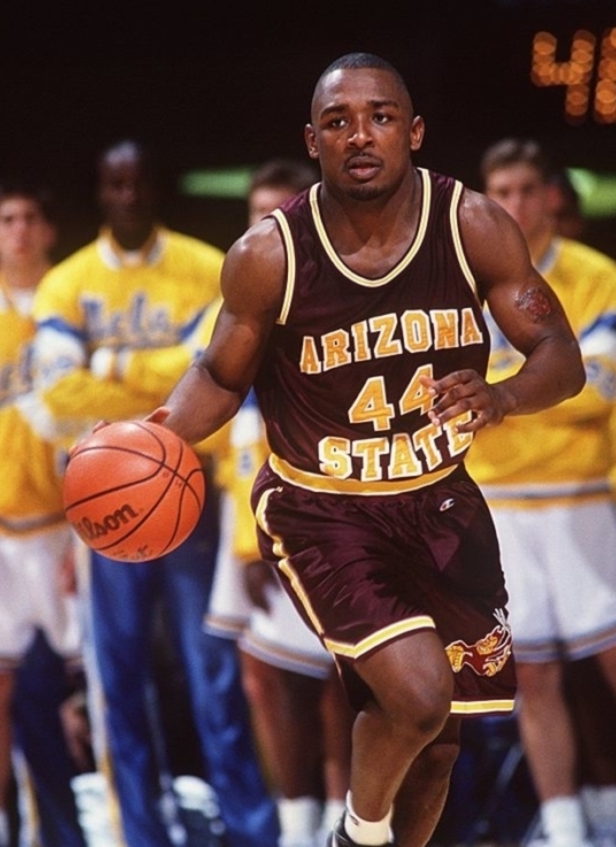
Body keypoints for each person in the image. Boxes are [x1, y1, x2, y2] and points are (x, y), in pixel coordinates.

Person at [146, 52, 586, 847]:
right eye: (339, 120)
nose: (361, 134)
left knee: (440, 742)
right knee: (420, 696)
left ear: (413, 131)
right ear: (311, 140)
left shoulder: (475, 225)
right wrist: (154, 435)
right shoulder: (270, 254)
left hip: (440, 499)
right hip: (321, 509)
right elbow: (218, 373)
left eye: (381, 116)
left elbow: (562, 354)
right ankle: (353, 836)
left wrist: (504, 395)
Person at [30, 139, 278, 847]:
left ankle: (253, 832)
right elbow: (55, 387)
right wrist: (167, 375)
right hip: (103, 494)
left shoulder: (208, 266)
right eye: (115, 183)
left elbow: (221, 366)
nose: (129, 195)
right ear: (100, 192)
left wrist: (105, 363)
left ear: (156, 188)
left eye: (139, 182)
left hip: (189, 491)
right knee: (118, 678)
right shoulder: (66, 283)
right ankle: (138, 832)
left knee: (214, 672)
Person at [467, 137, 616, 847]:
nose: (512, 203)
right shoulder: (459, 282)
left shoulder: (605, 281)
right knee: (534, 680)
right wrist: (541, 379)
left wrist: (501, 394)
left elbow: (605, 390)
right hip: (503, 508)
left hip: (589, 498)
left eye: (524, 189)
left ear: (551, 197)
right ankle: (570, 831)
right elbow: (458, 392)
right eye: (500, 191)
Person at [205, 156, 355, 847]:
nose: (268, 225)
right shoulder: (233, 302)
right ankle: (295, 827)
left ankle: (344, 820)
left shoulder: (343, 293)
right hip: (254, 514)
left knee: (338, 680)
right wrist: (247, 541)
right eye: (256, 214)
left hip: (330, 511)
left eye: (281, 211)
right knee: (263, 676)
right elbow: (232, 433)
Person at [0, 180, 84, 847]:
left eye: (33, 216)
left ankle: (113, 818)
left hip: (69, 529)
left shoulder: (75, 310)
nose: (22, 229)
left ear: (49, 230)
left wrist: (90, 536)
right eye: (8, 219)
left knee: (104, 693)